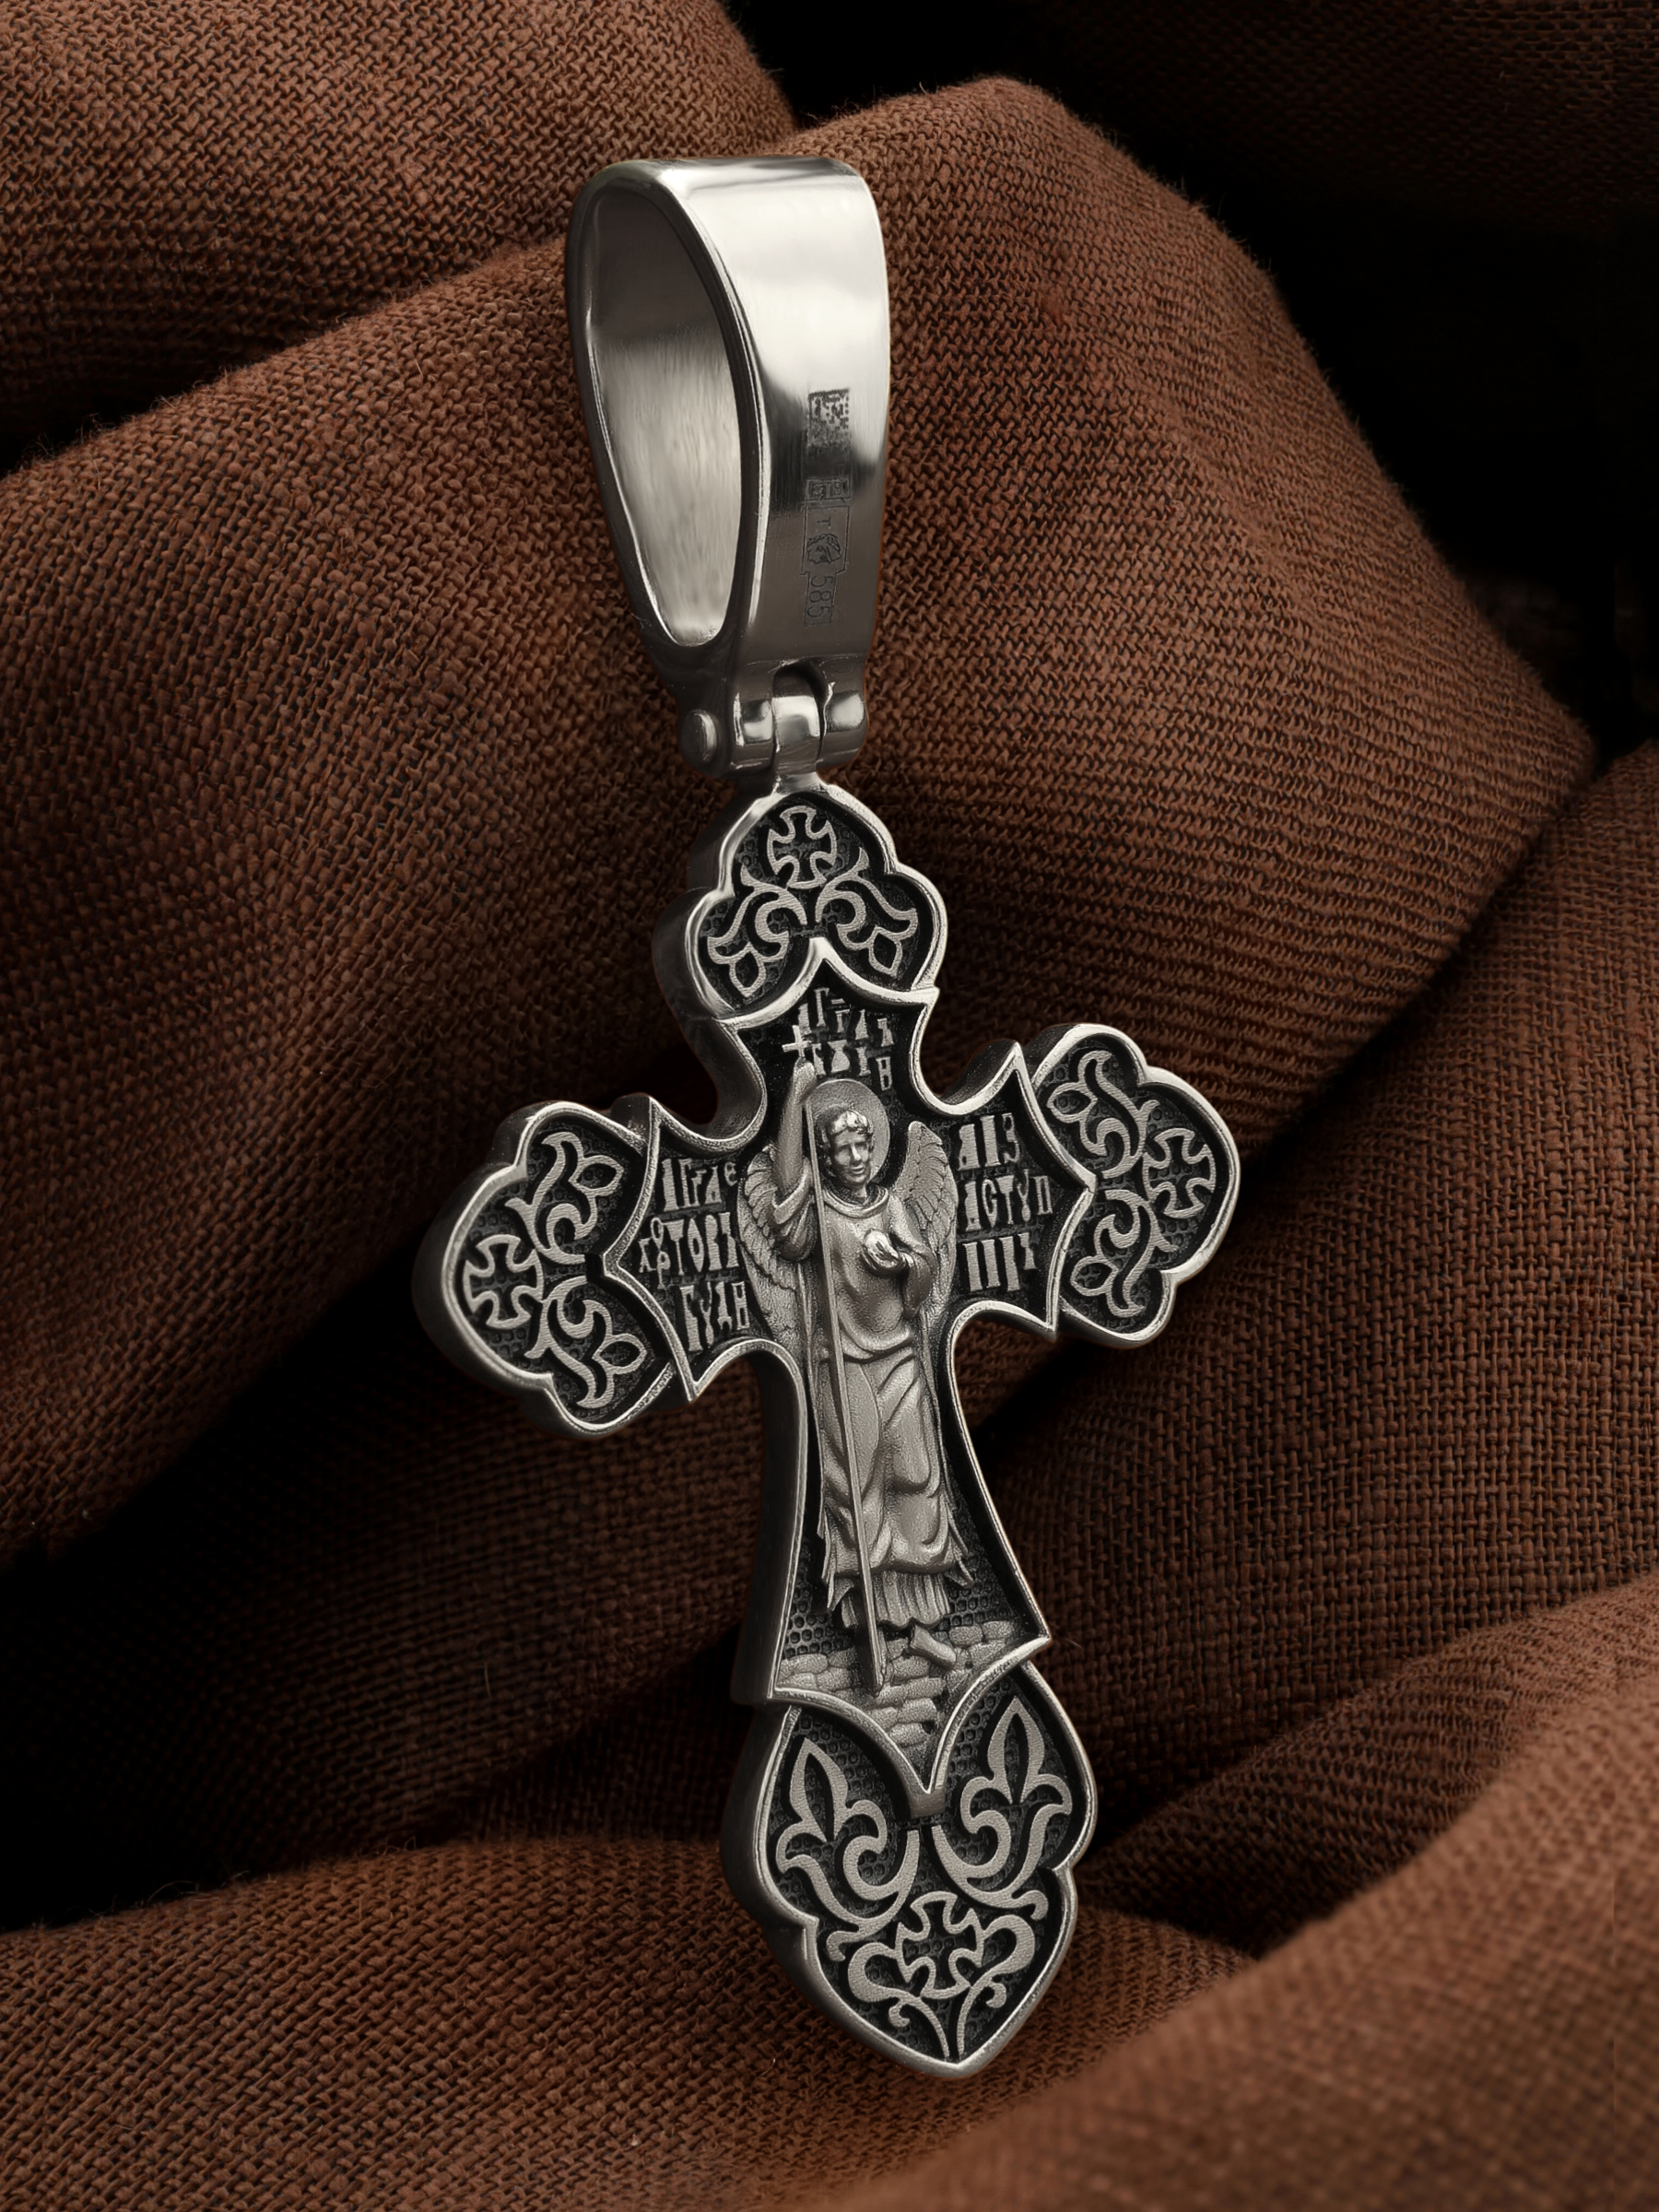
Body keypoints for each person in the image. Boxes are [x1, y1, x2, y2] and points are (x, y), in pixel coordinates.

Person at [744, 1056, 967, 1668]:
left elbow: (924, 1273)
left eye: (861, 1145)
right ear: (825, 1158)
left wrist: (904, 1263)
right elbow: (786, 1213)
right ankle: (873, 1633)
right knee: (859, 1492)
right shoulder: (816, 1212)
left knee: (916, 1483)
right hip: (844, 1367)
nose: (856, 1157)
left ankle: (923, 1623)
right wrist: (796, 1099)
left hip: (901, 1360)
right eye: (841, 1150)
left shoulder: (891, 1206)